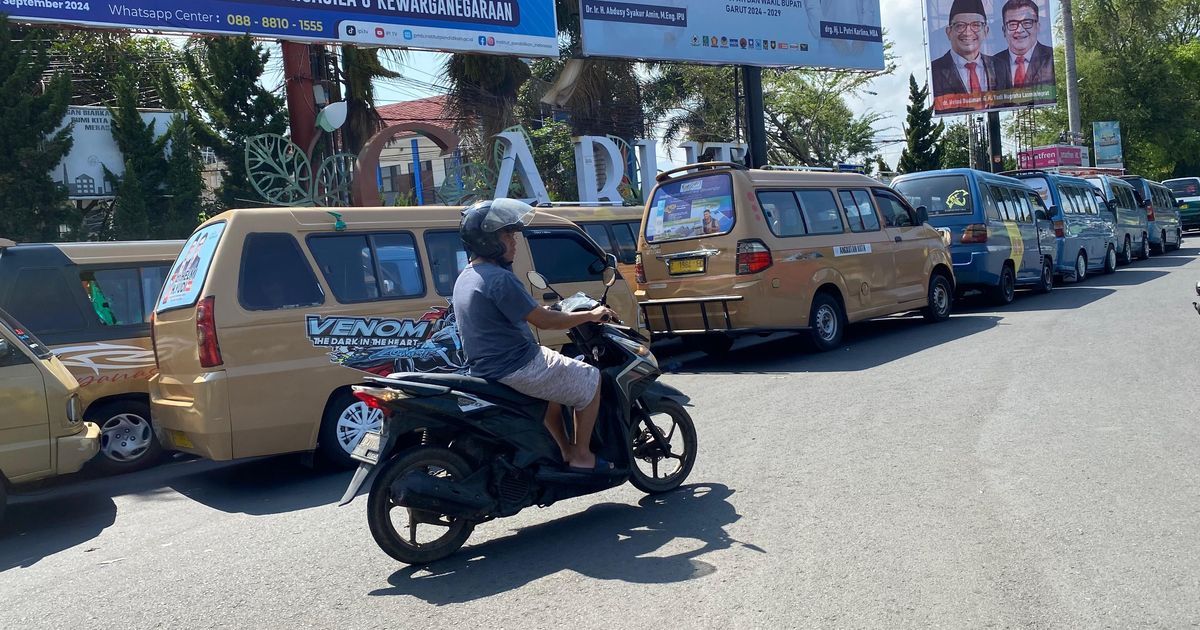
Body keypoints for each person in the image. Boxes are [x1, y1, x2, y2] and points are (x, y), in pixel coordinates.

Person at [452, 198, 618, 473]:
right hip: (518, 365)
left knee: (556, 388)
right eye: (508, 235)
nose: (515, 241)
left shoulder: (469, 276)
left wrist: (552, 309)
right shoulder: (498, 278)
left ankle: (563, 450)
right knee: (591, 378)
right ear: (488, 240)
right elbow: (544, 322)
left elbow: (526, 310)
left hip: (488, 365)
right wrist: (590, 315)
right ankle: (581, 455)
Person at [930, 0, 998, 113]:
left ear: (986, 31)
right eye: (960, 26)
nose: (968, 32)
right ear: (948, 32)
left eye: (976, 25)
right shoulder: (935, 70)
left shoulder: (1000, 66)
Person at [992, 0, 1054, 90]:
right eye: (1012, 24)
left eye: (1027, 23)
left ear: (1038, 27)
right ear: (1004, 30)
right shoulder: (992, 64)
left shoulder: (1052, 57)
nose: (1020, 30)